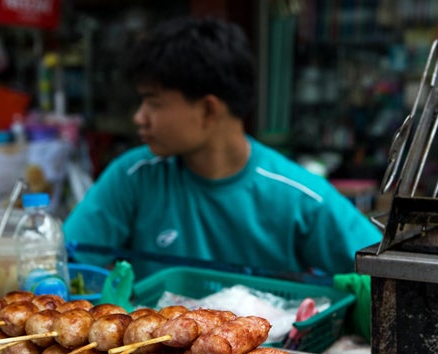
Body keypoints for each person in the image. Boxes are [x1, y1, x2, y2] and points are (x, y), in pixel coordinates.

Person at [63, 16, 382, 291]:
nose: (139, 117)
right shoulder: (132, 177)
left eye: (153, 102)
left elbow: (385, 275)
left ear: (208, 110)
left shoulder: (298, 198)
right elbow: (62, 265)